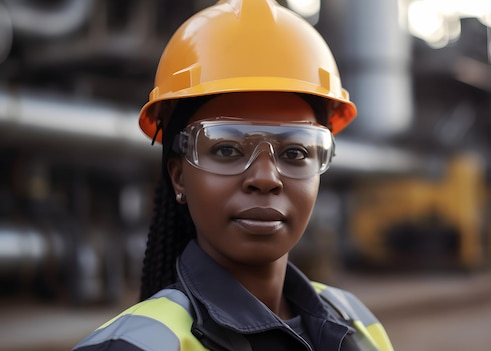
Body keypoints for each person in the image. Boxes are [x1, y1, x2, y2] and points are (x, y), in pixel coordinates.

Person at [72, 0, 394, 350]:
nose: (266, 178)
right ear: (179, 177)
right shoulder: (133, 346)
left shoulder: (357, 324)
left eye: (295, 152)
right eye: (227, 149)